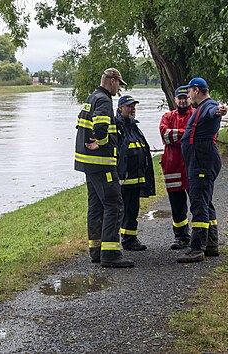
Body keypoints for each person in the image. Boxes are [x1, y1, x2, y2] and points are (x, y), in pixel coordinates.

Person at [74, 68, 134, 268]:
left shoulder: (91, 98)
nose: (119, 88)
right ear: (112, 81)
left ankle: (96, 250)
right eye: (119, 84)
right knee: (114, 205)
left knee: (96, 206)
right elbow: (99, 127)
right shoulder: (104, 100)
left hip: (88, 165)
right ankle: (110, 254)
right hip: (102, 163)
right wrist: (101, 142)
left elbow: (81, 124)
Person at [177, 77, 223, 263]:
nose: (188, 96)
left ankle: (197, 248)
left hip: (202, 161)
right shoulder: (202, 107)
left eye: (189, 92)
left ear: (196, 90)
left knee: (198, 203)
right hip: (200, 160)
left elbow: (214, 111)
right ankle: (211, 243)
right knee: (205, 201)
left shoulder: (209, 106)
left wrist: (219, 111)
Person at [115, 95, 155, 251]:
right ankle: (123, 240)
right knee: (122, 210)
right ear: (120, 108)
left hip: (136, 178)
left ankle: (129, 239)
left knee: (132, 210)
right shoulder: (117, 126)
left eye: (134, 106)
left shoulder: (133, 126)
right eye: (129, 106)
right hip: (124, 179)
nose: (132, 109)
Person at [159, 87, 193, 250]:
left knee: (198, 203)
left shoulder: (196, 114)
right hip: (172, 167)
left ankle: (202, 236)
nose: (182, 101)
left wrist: (179, 136)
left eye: (185, 97)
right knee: (177, 205)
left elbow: (196, 136)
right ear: (174, 100)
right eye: (179, 98)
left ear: (190, 98)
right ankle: (181, 236)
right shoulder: (167, 116)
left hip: (191, 166)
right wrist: (186, 134)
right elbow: (165, 135)